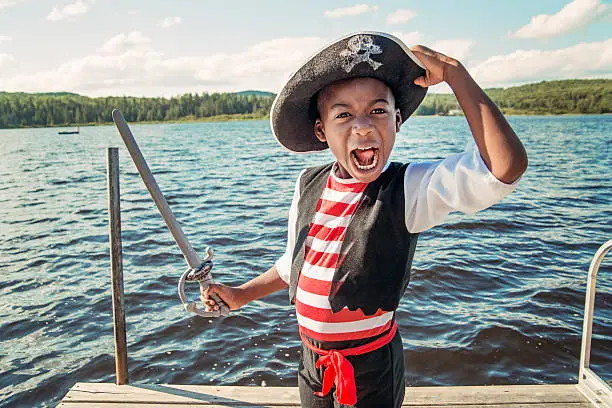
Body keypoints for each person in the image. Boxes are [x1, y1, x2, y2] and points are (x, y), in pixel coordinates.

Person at [201, 32, 528, 408]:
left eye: (378, 111)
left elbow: (503, 168)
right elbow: (298, 263)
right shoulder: (309, 183)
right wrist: (242, 294)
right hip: (313, 363)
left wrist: (455, 74)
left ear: (397, 120)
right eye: (343, 114)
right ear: (321, 130)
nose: (362, 126)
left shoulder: (410, 188)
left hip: (370, 368)